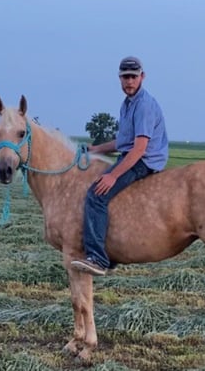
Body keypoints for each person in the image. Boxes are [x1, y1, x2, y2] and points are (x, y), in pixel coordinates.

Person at [71, 56, 169, 276]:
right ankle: (109, 251)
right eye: (125, 77)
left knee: (96, 195)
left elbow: (138, 148)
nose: (129, 82)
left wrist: (112, 176)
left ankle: (97, 258)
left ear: (142, 77)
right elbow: (122, 142)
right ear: (119, 79)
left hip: (143, 161)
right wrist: (97, 149)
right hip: (133, 155)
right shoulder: (128, 104)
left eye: (133, 77)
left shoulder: (143, 105)